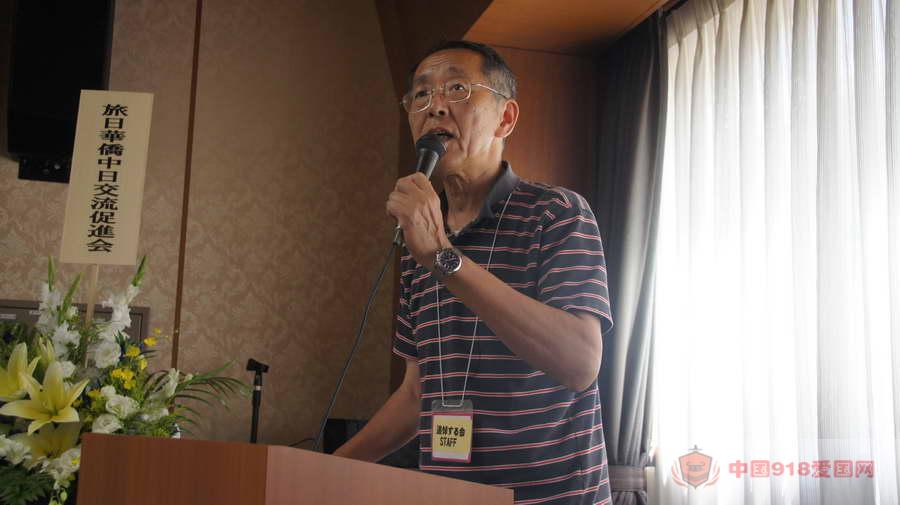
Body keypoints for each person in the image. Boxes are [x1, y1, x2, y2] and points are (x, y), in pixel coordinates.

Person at [334, 40, 613, 505]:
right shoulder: (420, 239)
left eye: (457, 89)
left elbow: (580, 362)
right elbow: (416, 394)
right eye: (421, 95)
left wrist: (444, 258)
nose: (435, 106)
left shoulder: (556, 213)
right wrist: (326, 468)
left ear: (505, 118)